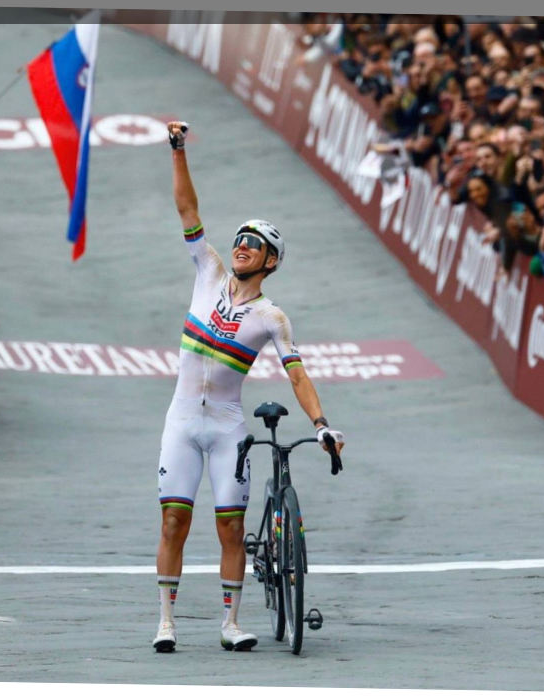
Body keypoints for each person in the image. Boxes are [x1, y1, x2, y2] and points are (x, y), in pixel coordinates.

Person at [153, 122, 346, 654]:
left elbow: (297, 373)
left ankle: (230, 624)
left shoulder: (271, 317)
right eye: (240, 239)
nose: (241, 246)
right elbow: (187, 209)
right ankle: (166, 622)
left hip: (226, 428)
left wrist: (322, 425)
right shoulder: (209, 271)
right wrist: (178, 151)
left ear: (270, 261)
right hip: (181, 421)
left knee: (232, 530)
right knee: (173, 521)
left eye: (254, 244)